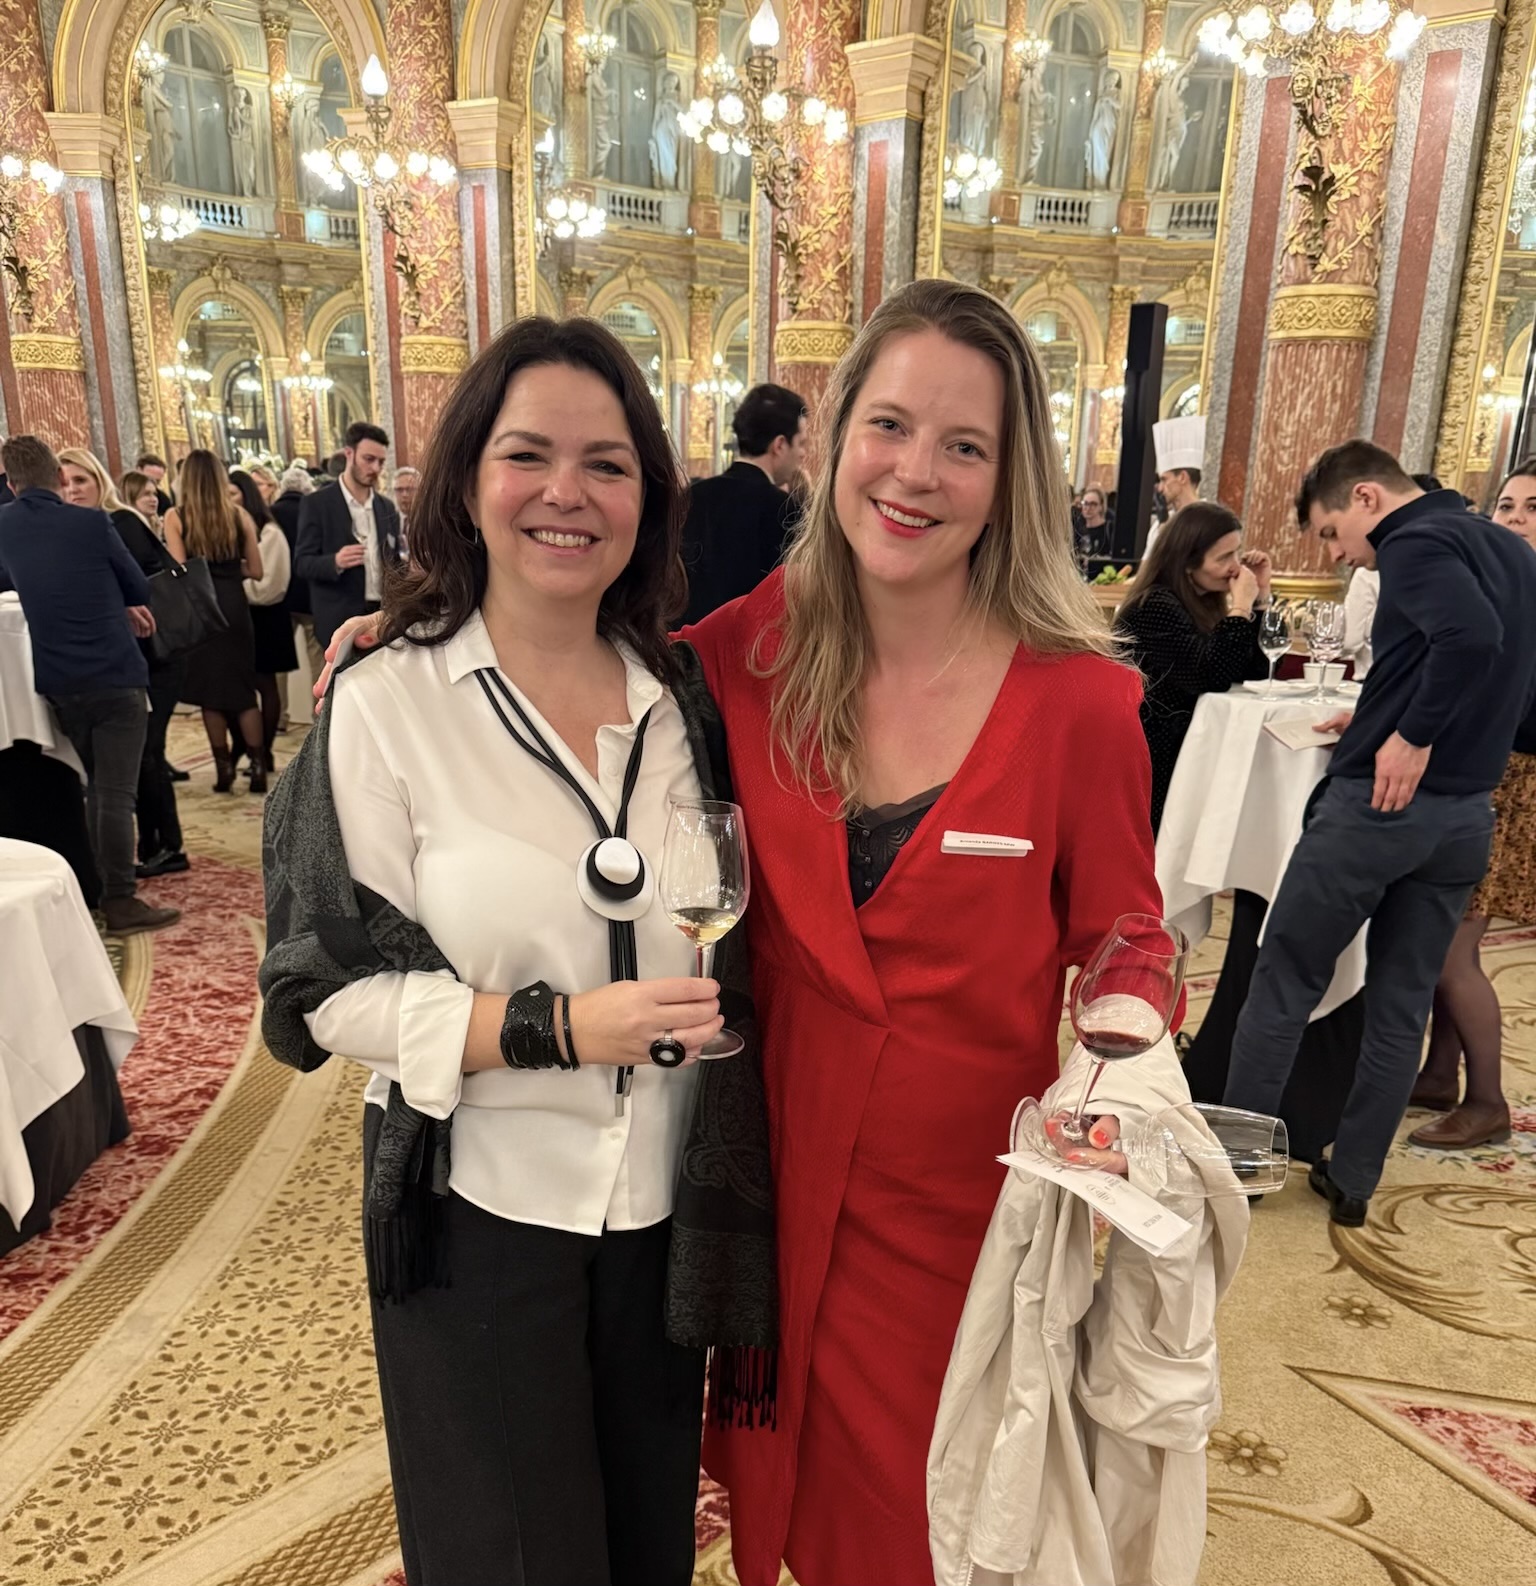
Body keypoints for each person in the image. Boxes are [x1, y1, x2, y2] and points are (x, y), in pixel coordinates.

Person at [312, 282, 1154, 1586]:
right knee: (772, 1514)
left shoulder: (1083, 702)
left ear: (1012, 479)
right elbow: (556, 640)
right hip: (756, 1191)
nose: (914, 472)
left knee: (943, 1524)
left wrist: (1131, 1056)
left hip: (961, 1208)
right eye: (888, 426)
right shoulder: (736, 662)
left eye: (965, 445)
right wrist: (411, 627)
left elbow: (1129, 938)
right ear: (832, 439)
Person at [259, 316, 776, 1586]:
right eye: (528, 454)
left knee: (645, 1548)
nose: (566, 492)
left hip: (660, 1211)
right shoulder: (388, 701)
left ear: (649, 496)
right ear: (468, 481)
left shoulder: (682, 700)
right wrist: (557, 1028)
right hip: (476, 1213)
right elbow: (322, 990)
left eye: (607, 463)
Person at [1224, 441, 1536, 1226]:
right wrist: (1378, 712)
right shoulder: (1507, 548)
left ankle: (1240, 1172)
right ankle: (1355, 1178)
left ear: (1366, 496)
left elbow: (1469, 638)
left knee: (1284, 979)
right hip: (1466, 813)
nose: (1336, 554)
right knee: (1400, 1001)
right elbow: (1491, 668)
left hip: (1379, 810)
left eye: (1332, 532)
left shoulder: (1415, 539)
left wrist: (1410, 735)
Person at [0, 436, 179, 933]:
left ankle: (100, 890)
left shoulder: (5, 525)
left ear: (10, 483)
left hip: (58, 679)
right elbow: (138, 587)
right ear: (59, 477)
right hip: (114, 673)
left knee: (96, 786)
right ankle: (119, 900)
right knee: (115, 793)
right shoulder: (91, 522)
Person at [1409, 459, 1536, 1150]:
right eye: (1507, 504)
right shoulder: (1509, 586)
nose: (1514, 518)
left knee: (1450, 948)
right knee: (1448, 936)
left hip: (1513, 784)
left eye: (1532, 508)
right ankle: (1439, 1072)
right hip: (1496, 774)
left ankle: (1487, 1100)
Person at [59, 449, 190, 879]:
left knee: (148, 751)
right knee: (140, 755)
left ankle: (167, 846)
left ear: (99, 480)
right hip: (130, 656)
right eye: (64, 482)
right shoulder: (79, 528)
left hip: (158, 654)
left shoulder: (120, 520)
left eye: (81, 480)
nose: (72, 490)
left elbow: (140, 585)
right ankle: (150, 843)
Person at [1115, 502, 1271, 834]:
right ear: (1187, 562)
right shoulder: (1155, 605)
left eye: (1236, 553)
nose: (1235, 567)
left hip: (1189, 747)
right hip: (1149, 757)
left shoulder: (1202, 602)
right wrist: (1241, 607)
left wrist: (1259, 600)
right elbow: (1208, 674)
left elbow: (1256, 671)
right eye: (1223, 558)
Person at [168, 450, 267, 794]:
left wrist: (206, 569)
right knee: (244, 692)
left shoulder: (176, 516)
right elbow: (257, 570)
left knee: (210, 696)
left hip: (203, 610)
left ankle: (224, 771)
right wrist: (229, 570)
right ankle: (258, 767)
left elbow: (180, 572)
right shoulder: (239, 515)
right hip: (235, 608)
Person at [678, 383, 806, 625]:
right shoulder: (785, 510)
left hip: (683, 644)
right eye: (801, 443)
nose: (803, 454)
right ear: (779, 445)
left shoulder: (693, 496)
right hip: (751, 646)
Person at [294, 421, 402, 646]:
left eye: (381, 462)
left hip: (381, 616)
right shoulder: (317, 504)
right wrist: (335, 561)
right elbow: (302, 563)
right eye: (368, 459)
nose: (376, 468)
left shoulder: (386, 507)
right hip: (338, 617)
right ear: (349, 454)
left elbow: (394, 561)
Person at [231, 468, 295, 771]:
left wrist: (233, 587)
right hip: (243, 617)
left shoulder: (269, 531)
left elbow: (270, 584)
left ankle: (264, 751)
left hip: (266, 615)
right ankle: (251, 748)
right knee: (244, 685)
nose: (227, 500)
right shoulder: (233, 529)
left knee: (266, 684)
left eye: (233, 494)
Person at [272, 463, 320, 687]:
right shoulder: (315, 512)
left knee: (278, 659)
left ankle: (280, 707)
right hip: (310, 594)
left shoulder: (271, 513)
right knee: (317, 657)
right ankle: (319, 706)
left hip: (280, 596)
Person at [391, 465, 420, 556]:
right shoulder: (389, 521)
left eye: (409, 489)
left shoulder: (430, 521)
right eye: (399, 490)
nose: (404, 494)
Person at [136, 452, 174, 517]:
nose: (152, 484)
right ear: (138, 470)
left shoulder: (163, 500)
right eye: (149, 479)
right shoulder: (121, 496)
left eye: (157, 481)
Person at [1080, 483, 1113, 555]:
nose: (1088, 508)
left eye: (1093, 504)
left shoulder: (1110, 529)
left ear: (1101, 506)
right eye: (1085, 503)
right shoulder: (1078, 529)